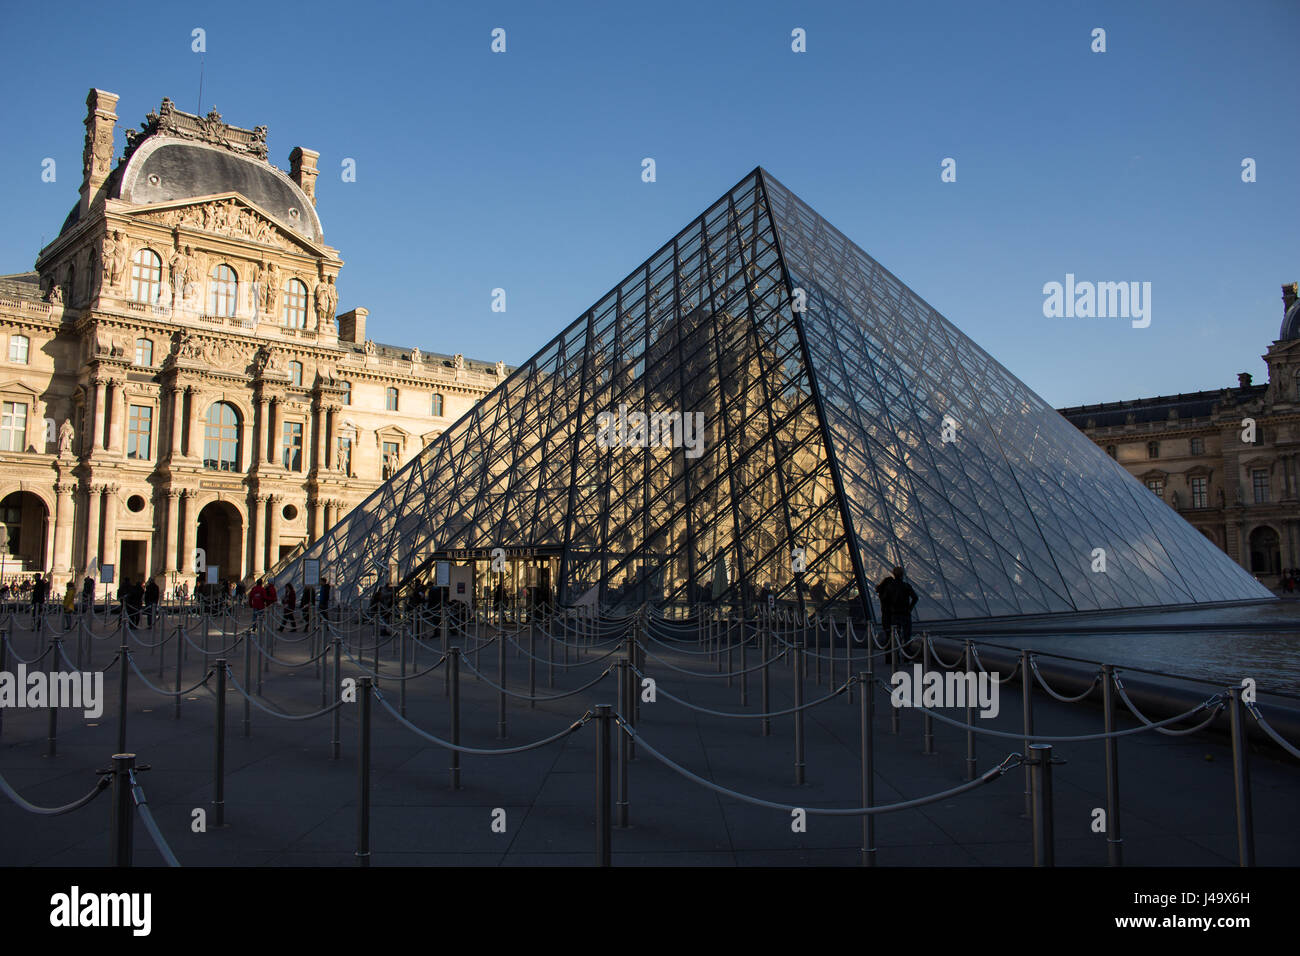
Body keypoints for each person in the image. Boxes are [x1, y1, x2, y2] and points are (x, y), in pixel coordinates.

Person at [877, 565, 919, 648]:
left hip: (894, 614)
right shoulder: (906, 586)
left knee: (896, 636)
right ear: (902, 575)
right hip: (905, 613)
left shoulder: (889, 587)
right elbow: (915, 598)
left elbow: (884, 599)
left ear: (893, 574)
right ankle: (907, 655)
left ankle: (896, 655)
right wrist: (909, 609)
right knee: (907, 636)